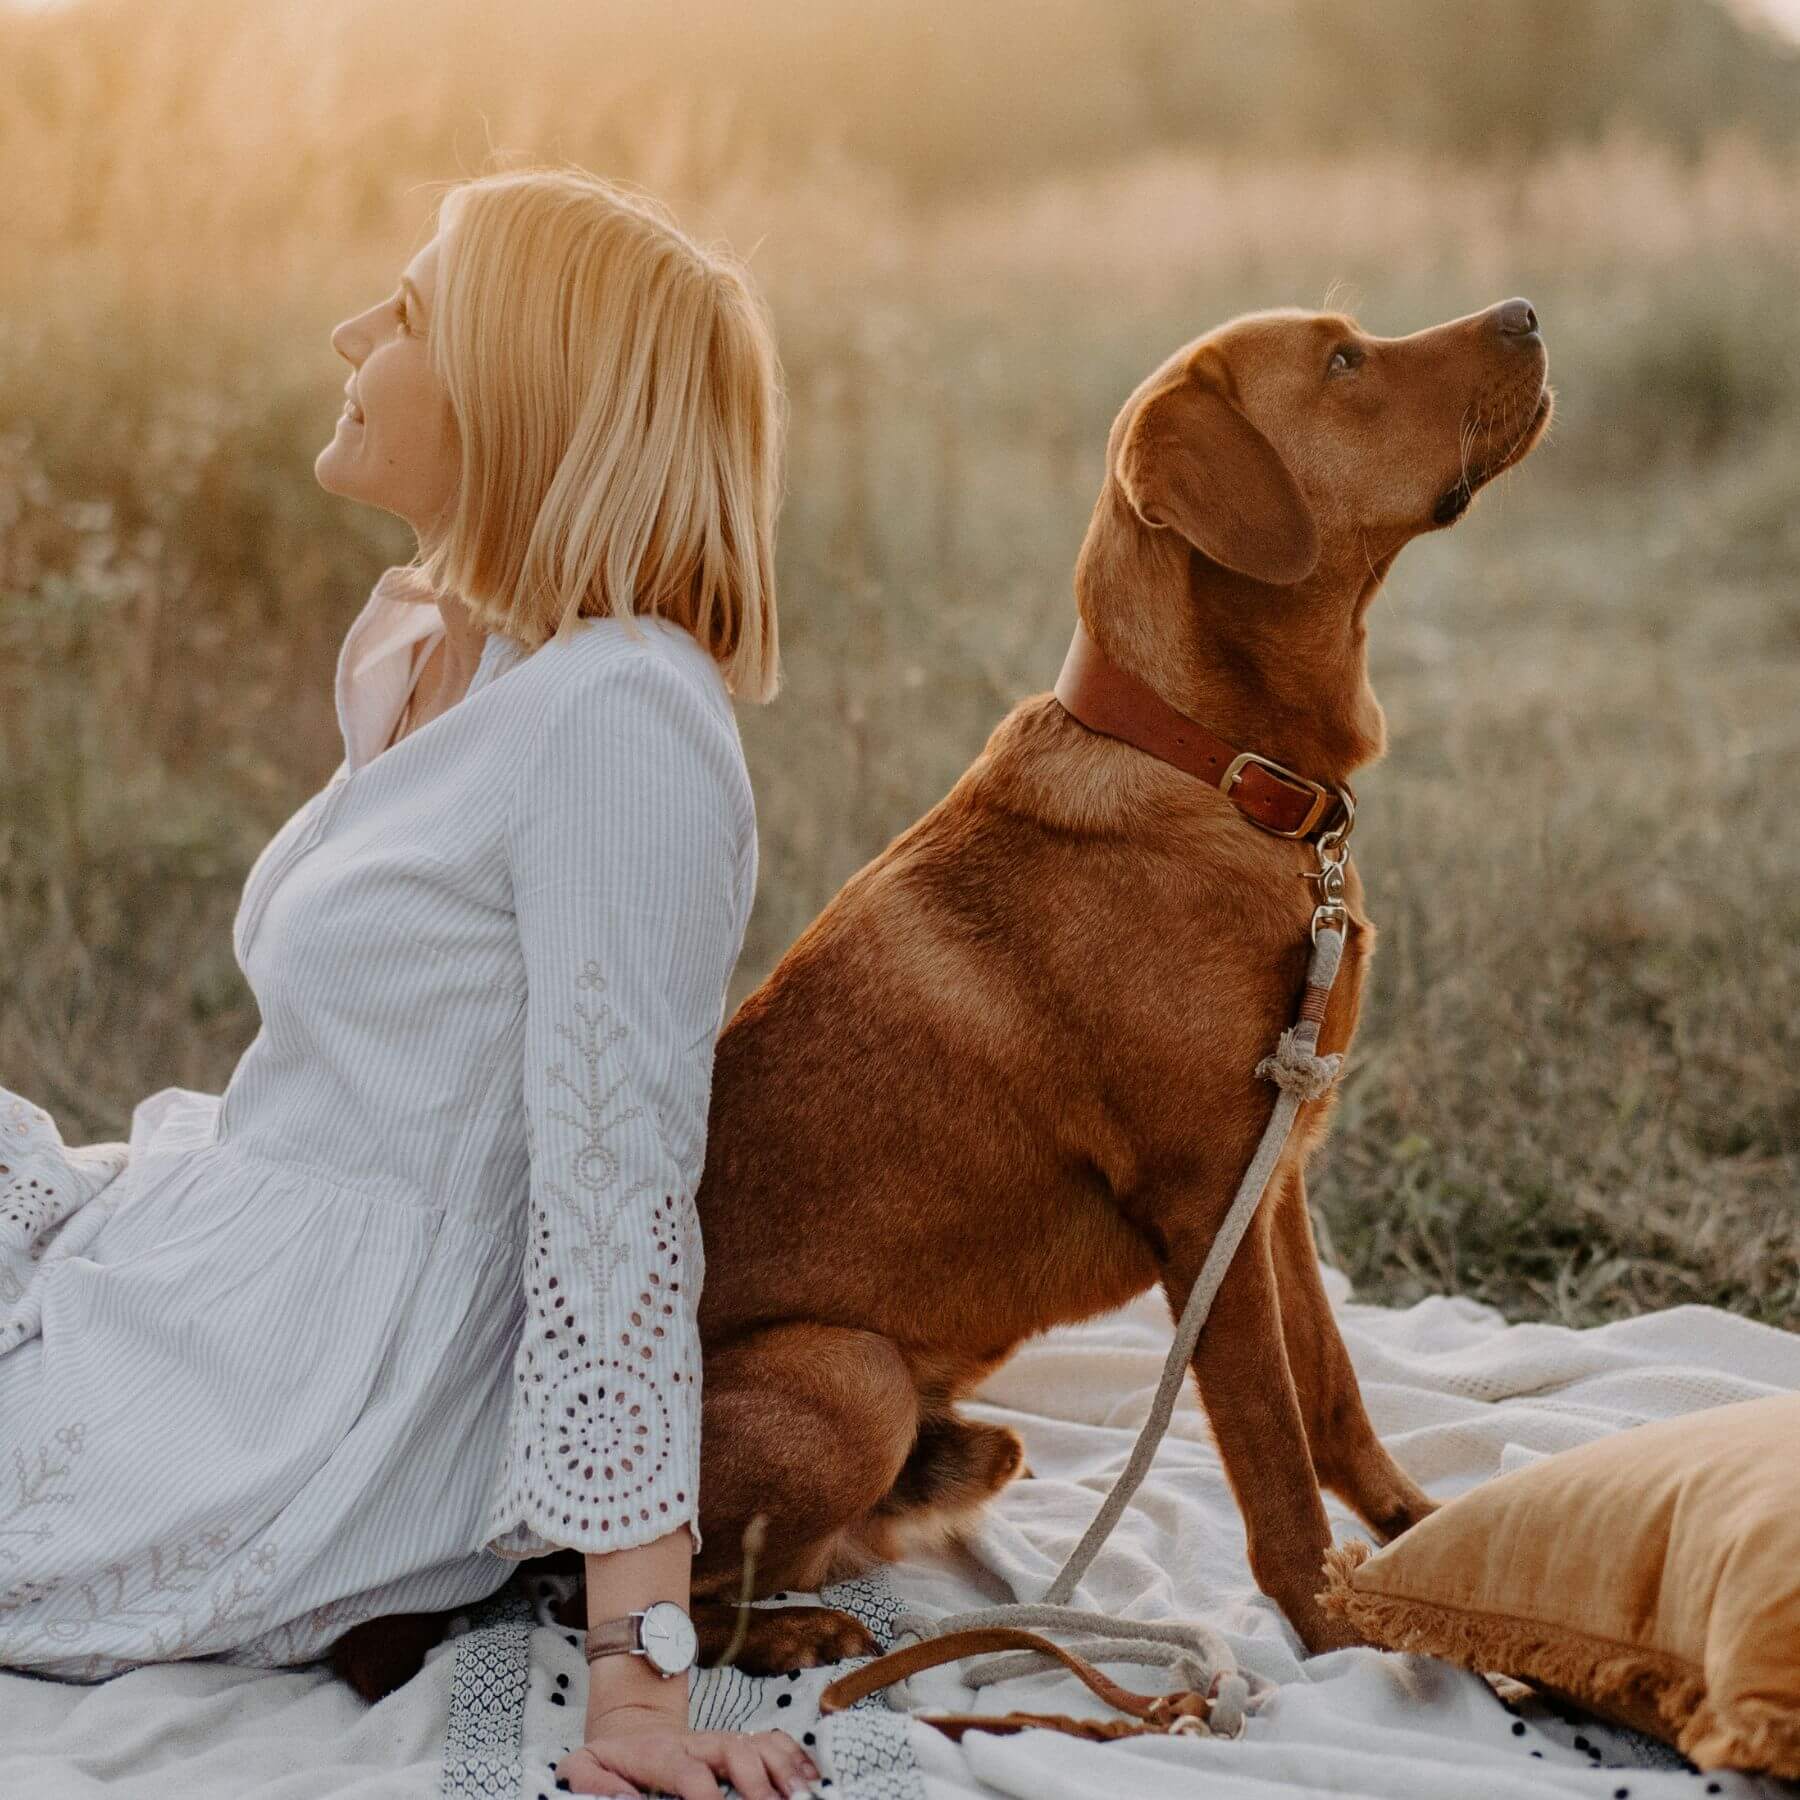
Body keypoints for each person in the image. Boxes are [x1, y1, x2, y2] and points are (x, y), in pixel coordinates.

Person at [0, 166, 820, 1800]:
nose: (349, 332)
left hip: (295, 1398)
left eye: (411, 310)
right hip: (197, 1258)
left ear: (518, 388)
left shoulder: (620, 722)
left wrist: (642, 1697)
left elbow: (618, 1198)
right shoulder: (445, 648)